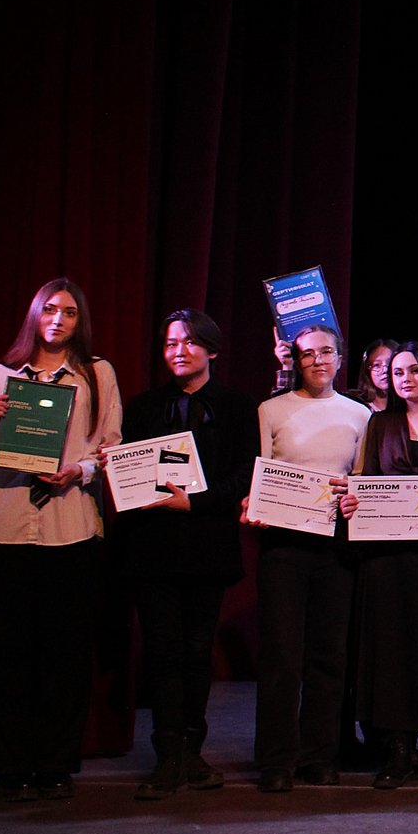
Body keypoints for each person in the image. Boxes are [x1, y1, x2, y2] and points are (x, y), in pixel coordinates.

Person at [115, 310, 259, 800]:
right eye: (171, 343)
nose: (178, 351)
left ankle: (191, 752)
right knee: (161, 652)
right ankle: (165, 756)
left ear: (212, 349)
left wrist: (195, 503)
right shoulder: (142, 407)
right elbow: (128, 471)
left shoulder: (237, 407)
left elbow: (244, 473)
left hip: (208, 545)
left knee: (198, 651)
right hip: (151, 547)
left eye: (190, 342)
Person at [0, 280, 122, 802]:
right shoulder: (0, 376)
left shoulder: (96, 374)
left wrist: (79, 471)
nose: (58, 319)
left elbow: (110, 446)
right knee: (7, 652)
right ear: (34, 315)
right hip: (5, 526)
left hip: (71, 527)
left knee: (63, 653)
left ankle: (55, 763)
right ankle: (10, 764)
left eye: (69, 312)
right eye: (49, 309)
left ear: (78, 321)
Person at [244, 323, 372, 793]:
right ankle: (276, 759)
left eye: (326, 352)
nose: (317, 360)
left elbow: (361, 479)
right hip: (283, 544)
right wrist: (254, 504)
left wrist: (354, 497)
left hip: (335, 544)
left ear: (340, 358)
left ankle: (319, 755)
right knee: (281, 655)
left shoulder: (360, 414)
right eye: (307, 354)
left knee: (328, 655)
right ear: (295, 361)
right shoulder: (271, 409)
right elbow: (260, 474)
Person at [348, 342, 418, 789]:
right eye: (397, 373)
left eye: (413, 370)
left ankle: (413, 743)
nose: (405, 379)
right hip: (386, 555)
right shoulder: (380, 423)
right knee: (389, 649)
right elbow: (368, 479)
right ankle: (396, 747)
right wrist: (356, 502)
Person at [349, 339, 396, 413]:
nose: (385, 370)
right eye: (377, 365)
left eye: (390, 363)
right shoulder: (356, 405)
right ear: (367, 370)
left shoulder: (408, 406)